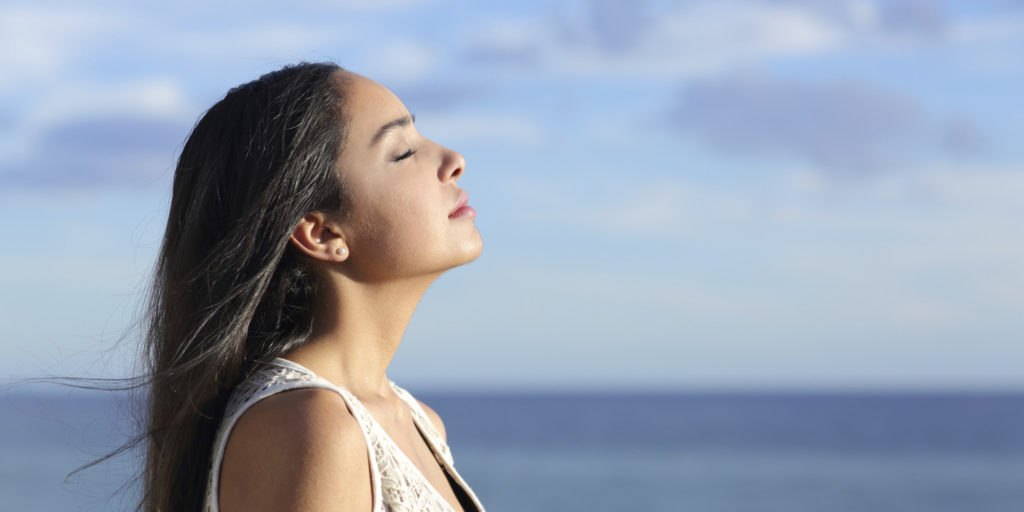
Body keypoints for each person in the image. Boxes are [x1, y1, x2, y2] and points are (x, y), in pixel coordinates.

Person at [140, 61, 485, 512]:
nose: (453, 160)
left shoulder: (417, 422)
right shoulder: (312, 428)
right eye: (401, 152)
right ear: (322, 234)